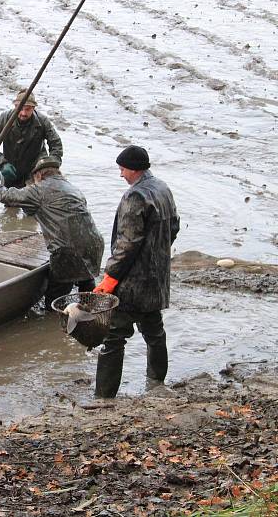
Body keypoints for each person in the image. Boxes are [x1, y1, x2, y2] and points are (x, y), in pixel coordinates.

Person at [92, 145, 180, 398]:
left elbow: (126, 245)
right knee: (154, 329)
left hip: (132, 284)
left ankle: (104, 397)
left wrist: (110, 278)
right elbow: (174, 227)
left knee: (113, 337)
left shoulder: (135, 197)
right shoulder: (162, 188)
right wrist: (157, 257)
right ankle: (156, 382)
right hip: (157, 278)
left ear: (133, 169)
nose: (121, 175)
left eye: (122, 169)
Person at [0, 155, 104, 308]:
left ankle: (54, 322)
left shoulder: (39, 189)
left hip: (68, 253)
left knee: (55, 300)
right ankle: (92, 311)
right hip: (94, 245)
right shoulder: (73, 188)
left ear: (38, 175)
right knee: (86, 285)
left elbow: (7, 196)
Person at [0, 90, 63, 188]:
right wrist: (1, 163)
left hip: (35, 170)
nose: (23, 113)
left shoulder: (43, 121)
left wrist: (50, 166)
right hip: (10, 169)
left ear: (33, 108)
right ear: (15, 106)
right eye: (20, 108)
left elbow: (56, 144)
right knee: (9, 199)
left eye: (27, 109)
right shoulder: (4, 119)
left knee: (34, 200)